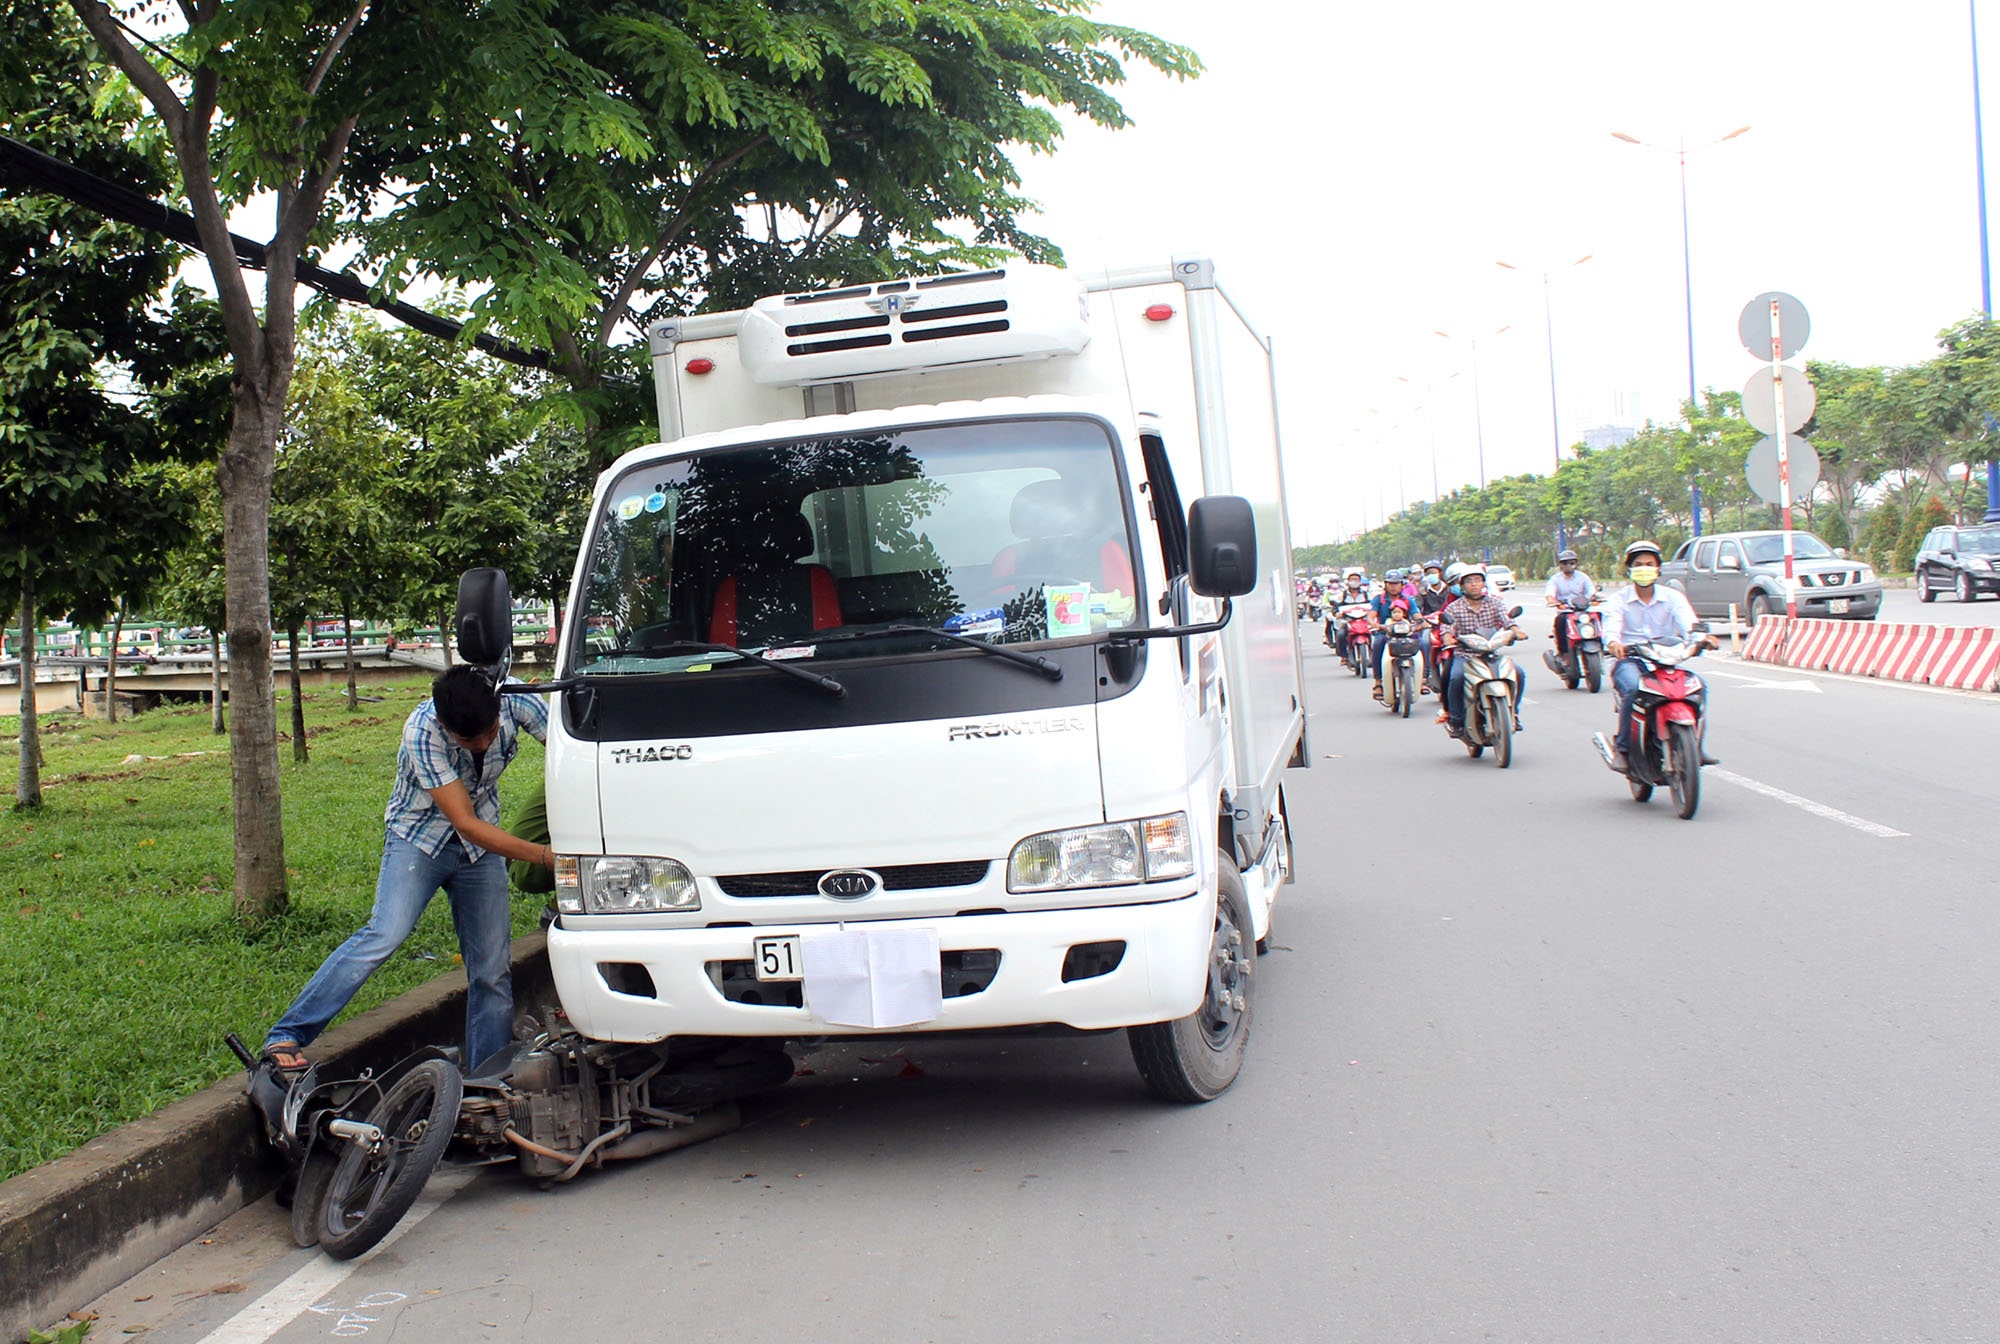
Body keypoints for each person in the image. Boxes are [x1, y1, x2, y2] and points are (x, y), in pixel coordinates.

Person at [262, 666, 553, 1075]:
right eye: (470, 741)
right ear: (444, 724)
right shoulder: (422, 731)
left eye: (490, 733)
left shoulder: (515, 699)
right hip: (419, 839)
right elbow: (465, 823)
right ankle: (288, 1032)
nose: (484, 745)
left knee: (492, 969)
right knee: (385, 934)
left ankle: (487, 1077)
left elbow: (568, 749)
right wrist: (544, 855)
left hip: (479, 848)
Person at [1600, 540, 1719, 772]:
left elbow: (1690, 625)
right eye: (1638, 564)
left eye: (1649, 564)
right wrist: (1614, 643)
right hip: (1631, 660)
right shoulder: (1618, 600)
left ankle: (1695, 745)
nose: (1644, 568)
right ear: (1630, 569)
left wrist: (1703, 639)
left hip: (1666, 660)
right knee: (1634, 688)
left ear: (1658, 569)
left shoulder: (1673, 597)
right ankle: (1623, 749)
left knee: (1698, 687)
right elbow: (1611, 628)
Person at [1438, 564, 1527, 739]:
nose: (1474, 585)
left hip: (1491, 654)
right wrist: (1448, 637)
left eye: (1478, 580)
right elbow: (1446, 628)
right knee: (1456, 677)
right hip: (1466, 655)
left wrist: (1516, 631)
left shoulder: (1495, 603)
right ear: (1462, 586)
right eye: (1469, 581)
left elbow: (1507, 621)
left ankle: (1513, 713)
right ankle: (1455, 719)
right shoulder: (1454, 608)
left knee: (1519, 673)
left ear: (1484, 583)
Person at [1541, 548, 1598, 673]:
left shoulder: (1583, 577)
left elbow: (1591, 591)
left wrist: (1594, 597)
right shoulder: (1555, 579)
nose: (1568, 565)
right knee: (1560, 622)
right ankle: (1564, 654)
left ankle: (1602, 644)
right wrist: (1552, 600)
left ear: (1576, 563)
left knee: (1597, 618)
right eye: (1564, 563)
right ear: (1560, 565)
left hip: (1582, 610)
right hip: (1566, 612)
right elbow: (1550, 593)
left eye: (1571, 562)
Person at [1368, 569, 1415, 699]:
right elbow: (1372, 614)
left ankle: (1422, 679)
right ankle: (1378, 682)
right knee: (1377, 644)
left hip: (1405, 633)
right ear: (1385, 584)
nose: (1393, 586)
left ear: (1402, 584)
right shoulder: (1379, 599)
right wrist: (1373, 623)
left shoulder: (1408, 600)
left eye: (1396, 583)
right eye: (1390, 583)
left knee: (1421, 643)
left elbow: (1417, 616)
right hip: (1384, 633)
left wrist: (1421, 623)